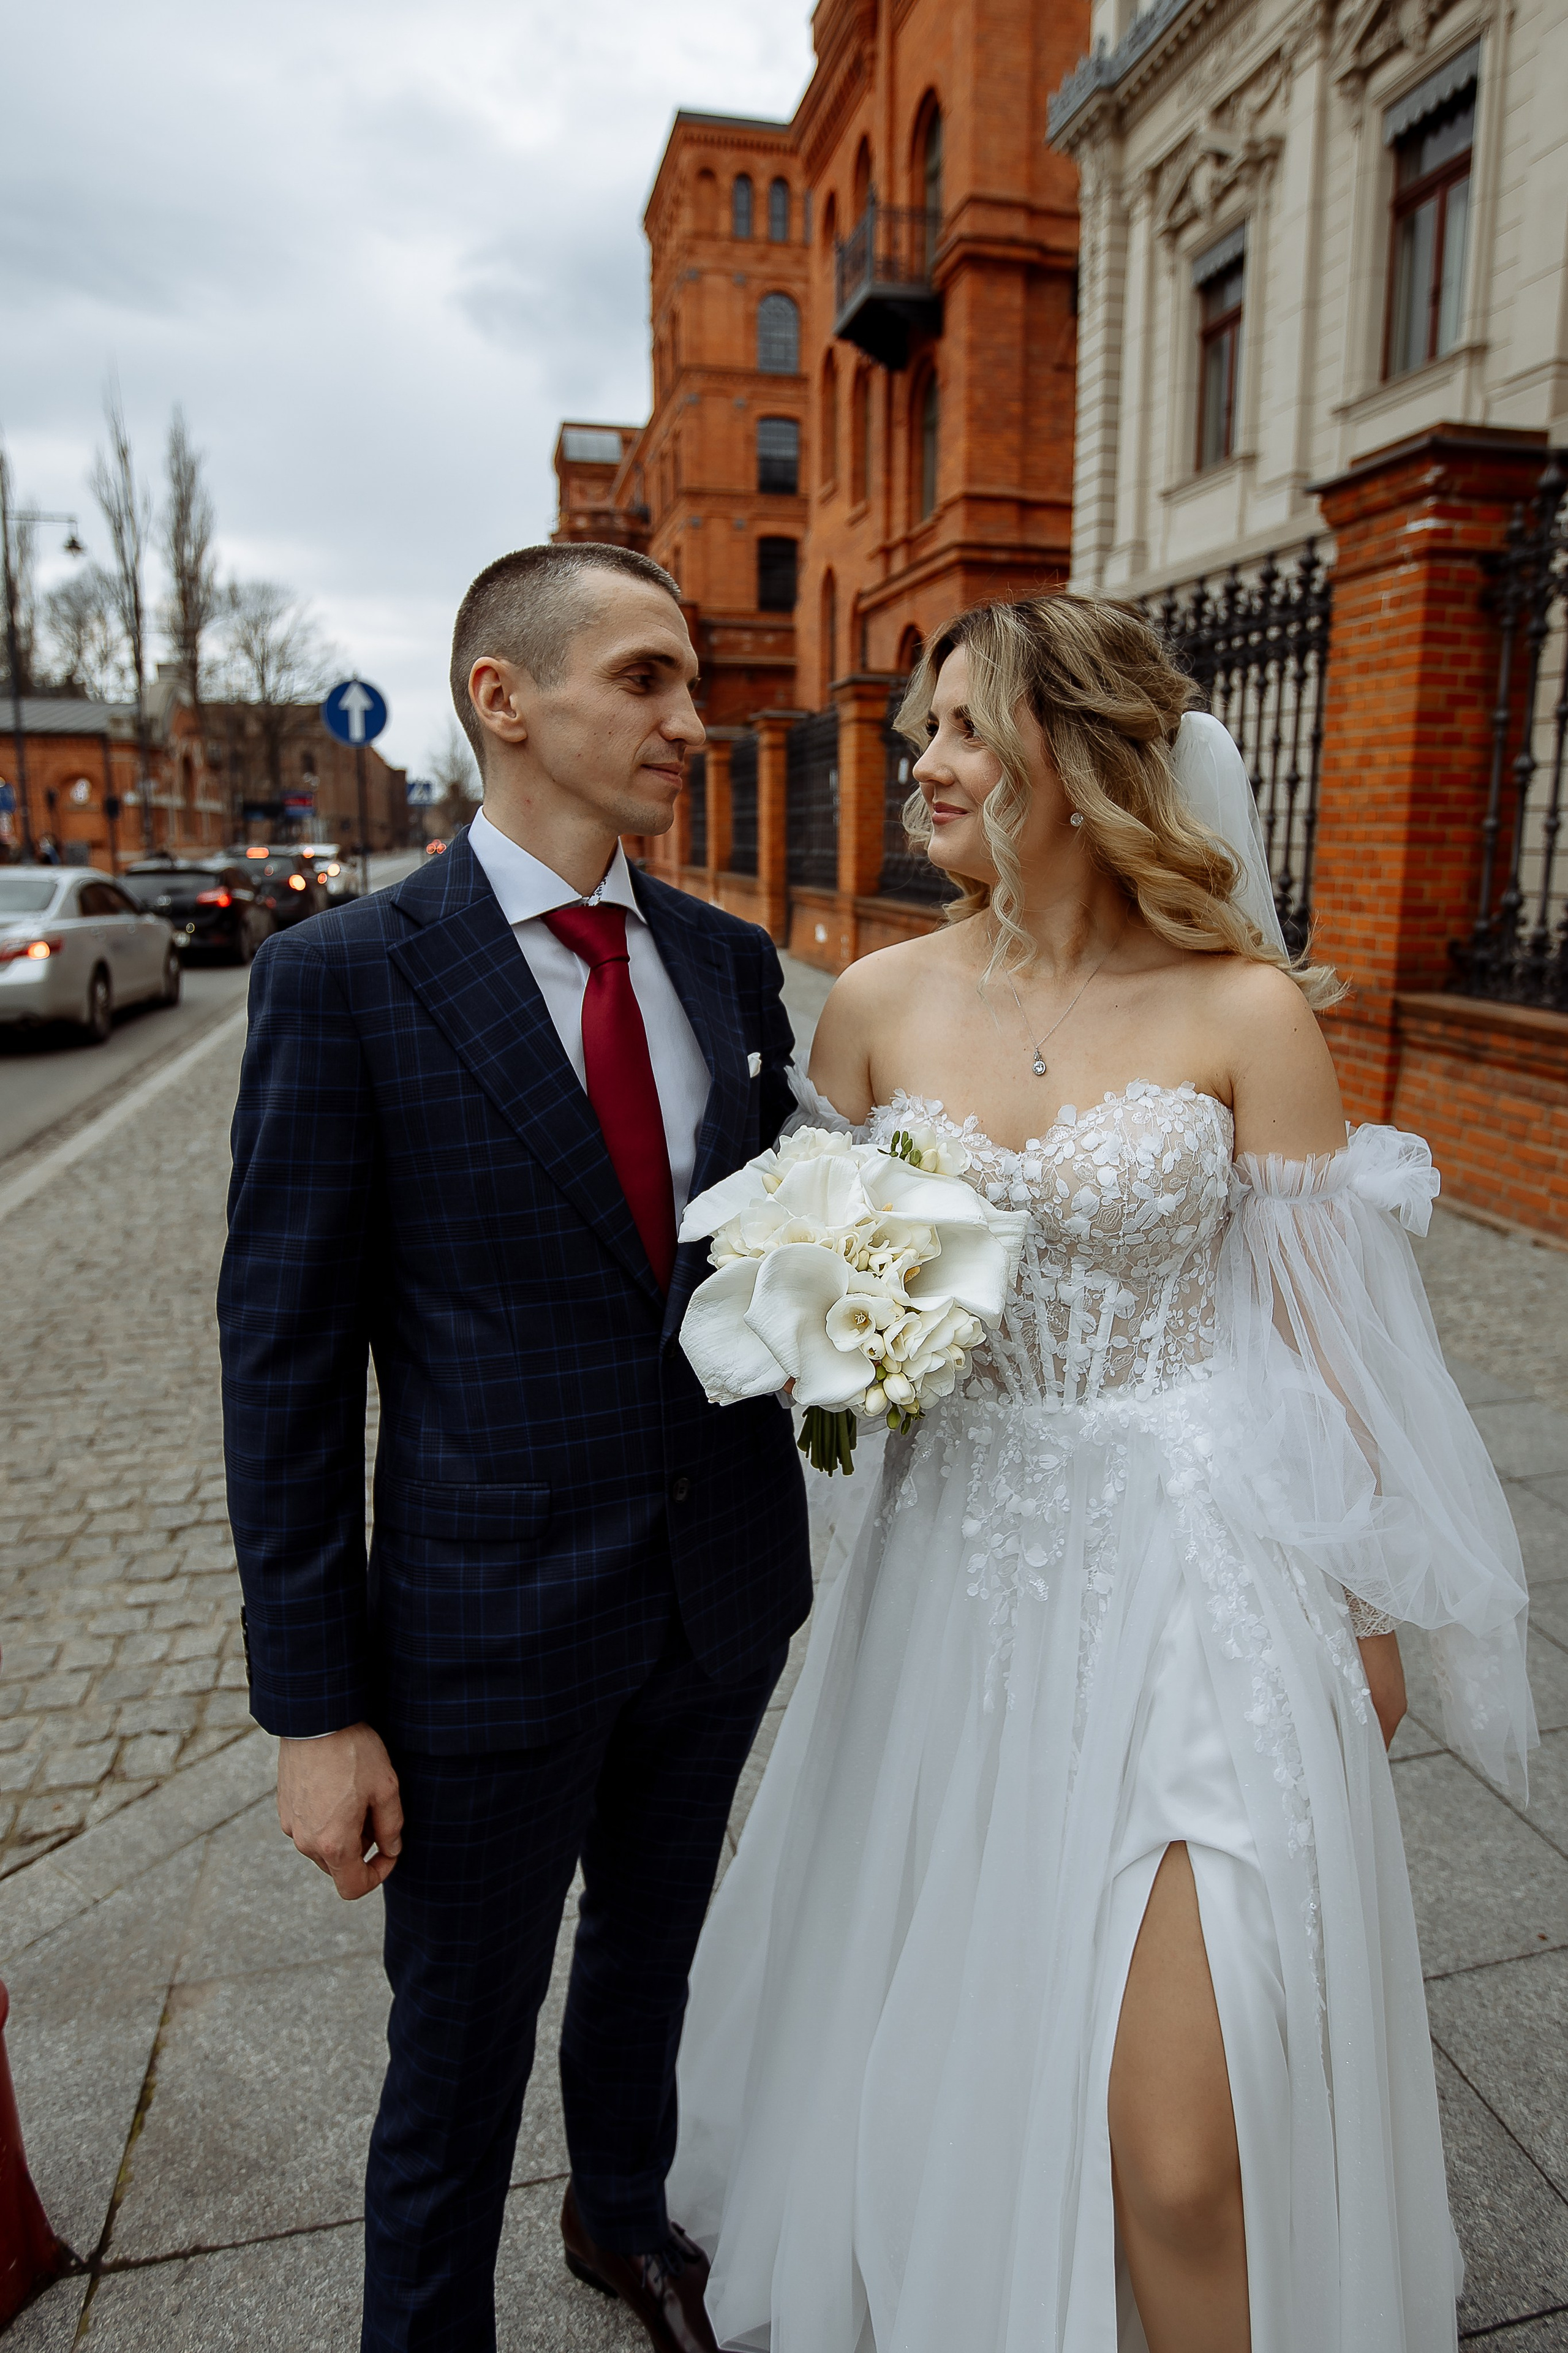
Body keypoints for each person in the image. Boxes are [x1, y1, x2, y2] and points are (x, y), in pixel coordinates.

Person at [666, 593, 1536, 2353]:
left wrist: (1364, 1608)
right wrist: (845, 1335)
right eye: (924, 725)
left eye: (965, 727)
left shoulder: (1245, 1013)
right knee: (972, 2072)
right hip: (952, 1588)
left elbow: (1325, 1338)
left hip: (1203, 1575)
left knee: (1186, 2156)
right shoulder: (876, 1008)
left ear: (1077, 756)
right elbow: (813, 1304)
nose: (924, 759)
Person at [217, 542, 812, 2353]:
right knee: (457, 2042)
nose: (689, 721)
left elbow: (759, 1255)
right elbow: (285, 1362)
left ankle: (624, 2219)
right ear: (506, 697)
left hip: (717, 1598)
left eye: (692, 683)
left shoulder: (726, 964)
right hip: (484, 1633)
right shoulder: (346, 980)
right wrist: (316, 1713)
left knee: (651, 1960)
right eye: (645, 679)